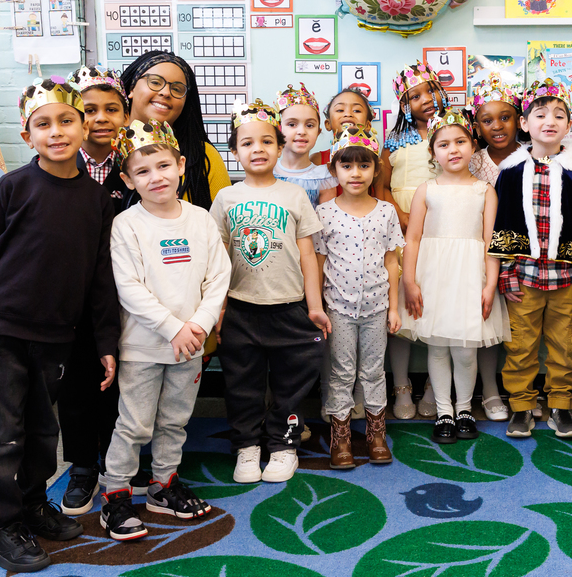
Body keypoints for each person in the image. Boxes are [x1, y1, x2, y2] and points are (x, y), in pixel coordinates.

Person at [0, 77, 119, 573]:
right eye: (43, 125)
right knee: (4, 432)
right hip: (3, 328)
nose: (57, 132)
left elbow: (99, 278)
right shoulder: (13, 187)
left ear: (84, 126)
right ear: (28, 137)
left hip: (58, 335)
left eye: (67, 120)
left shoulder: (96, 200)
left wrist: (106, 340)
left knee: (45, 431)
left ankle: (30, 504)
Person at [99, 120, 231, 540]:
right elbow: (128, 288)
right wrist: (173, 327)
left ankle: (162, 484)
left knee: (175, 420)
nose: (155, 177)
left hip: (189, 344)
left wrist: (197, 325)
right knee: (134, 424)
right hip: (142, 346)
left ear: (181, 165)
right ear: (127, 179)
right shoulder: (127, 225)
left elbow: (218, 278)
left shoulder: (201, 220)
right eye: (142, 171)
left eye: (162, 166)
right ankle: (116, 495)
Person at [489, 78, 572, 439]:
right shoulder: (512, 171)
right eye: (540, 114)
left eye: (559, 115)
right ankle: (521, 405)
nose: (550, 120)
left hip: (567, 280)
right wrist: (506, 272)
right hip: (525, 278)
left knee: (565, 345)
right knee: (520, 345)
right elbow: (503, 223)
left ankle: (561, 406)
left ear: (568, 125)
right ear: (525, 123)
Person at [211, 99, 330, 485]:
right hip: (242, 309)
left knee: (291, 385)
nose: (257, 149)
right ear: (235, 151)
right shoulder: (226, 198)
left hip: (290, 307)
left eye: (266, 141)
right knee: (241, 384)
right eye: (247, 143)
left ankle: (284, 446)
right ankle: (246, 447)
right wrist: (220, 309)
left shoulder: (294, 196)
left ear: (280, 148)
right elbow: (218, 260)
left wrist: (314, 306)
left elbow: (309, 255)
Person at [400, 110, 509, 444]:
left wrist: (491, 284)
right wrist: (409, 281)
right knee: (437, 348)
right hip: (432, 275)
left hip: (470, 276)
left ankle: (464, 408)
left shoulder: (484, 190)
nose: (453, 149)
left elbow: (492, 242)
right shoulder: (426, 190)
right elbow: (413, 238)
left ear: (472, 145)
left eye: (460, 141)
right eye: (444, 144)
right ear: (433, 153)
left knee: (465, 350)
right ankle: (443, 410)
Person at [56, 66, 131, 518]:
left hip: (127, 293)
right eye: (89, 110)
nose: (101, 118)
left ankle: (119, 460)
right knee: (79, 383)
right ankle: (83, 465)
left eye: (112, 109)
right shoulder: (58, 163)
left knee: (123, 380)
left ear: (126, 115)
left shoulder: (139, 162)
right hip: (73, 296)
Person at [314, 125, 403, 468]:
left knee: (374, 370)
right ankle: (341, 439)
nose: (355, 173)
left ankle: (376, 435)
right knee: (340, 372)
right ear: (334, 169)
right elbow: (319, 263)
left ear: (375, 170)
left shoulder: (386, 211)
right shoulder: (324, 213)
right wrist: (319, 309)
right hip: (338, 309)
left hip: (377, 308)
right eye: (346, 165)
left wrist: (394, 307)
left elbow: (392, 259)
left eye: (363, 165)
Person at [375, 61, 446, 419]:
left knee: (437, 307)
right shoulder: (392, 142)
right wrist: (400, 216)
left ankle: (435, 385)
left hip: (441, 229)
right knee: (402, 309)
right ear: (404, 105)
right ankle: (401, 384)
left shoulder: (453, 133)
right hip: (402, 230)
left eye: (431, 90)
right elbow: (382, 185)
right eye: (415, 96)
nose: (426, 99)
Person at [467, 72, 526, 422]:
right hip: (479, 253)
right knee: (479, 319)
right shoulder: (473, 161)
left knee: (514, 328)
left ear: (519, 120)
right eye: (487, 120)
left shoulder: (534, 157)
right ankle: (474, 388)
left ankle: (505, 389)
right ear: (476, 126)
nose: (498, 126)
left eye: (505, 117)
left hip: (523, 257)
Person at [120, 50, 231, 210]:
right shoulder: (106, 150)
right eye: (156, 82)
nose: (165, 92)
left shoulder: (204, 156)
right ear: (132, 87)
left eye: (178, 89)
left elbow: (223, 225)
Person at [273, 83, 337, 205]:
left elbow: (327, 220)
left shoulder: (323, 177)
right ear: (278, 129)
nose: (302, 131)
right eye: (292, 124)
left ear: (318, 132)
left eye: (309, 125)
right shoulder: (267, 172)